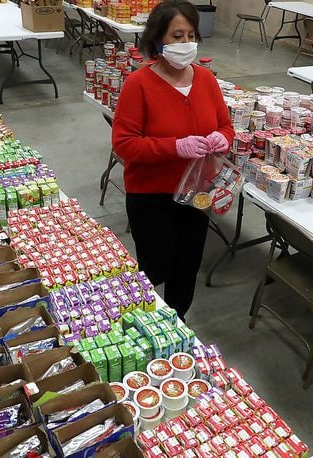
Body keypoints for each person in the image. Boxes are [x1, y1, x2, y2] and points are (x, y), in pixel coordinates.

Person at [111, 0, 235, 319]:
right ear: (158, 41)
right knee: (156, 267)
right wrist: (175, 147)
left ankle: (177, 323)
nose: (186, 44)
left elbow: (225, 125)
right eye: (177, 36)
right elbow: (124, 144)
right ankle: (150, 324)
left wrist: (224, 138)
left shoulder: (206, 80)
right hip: (152, 196)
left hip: (197, 193)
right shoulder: (139, 85)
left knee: (187, 267)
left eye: (191, 35)